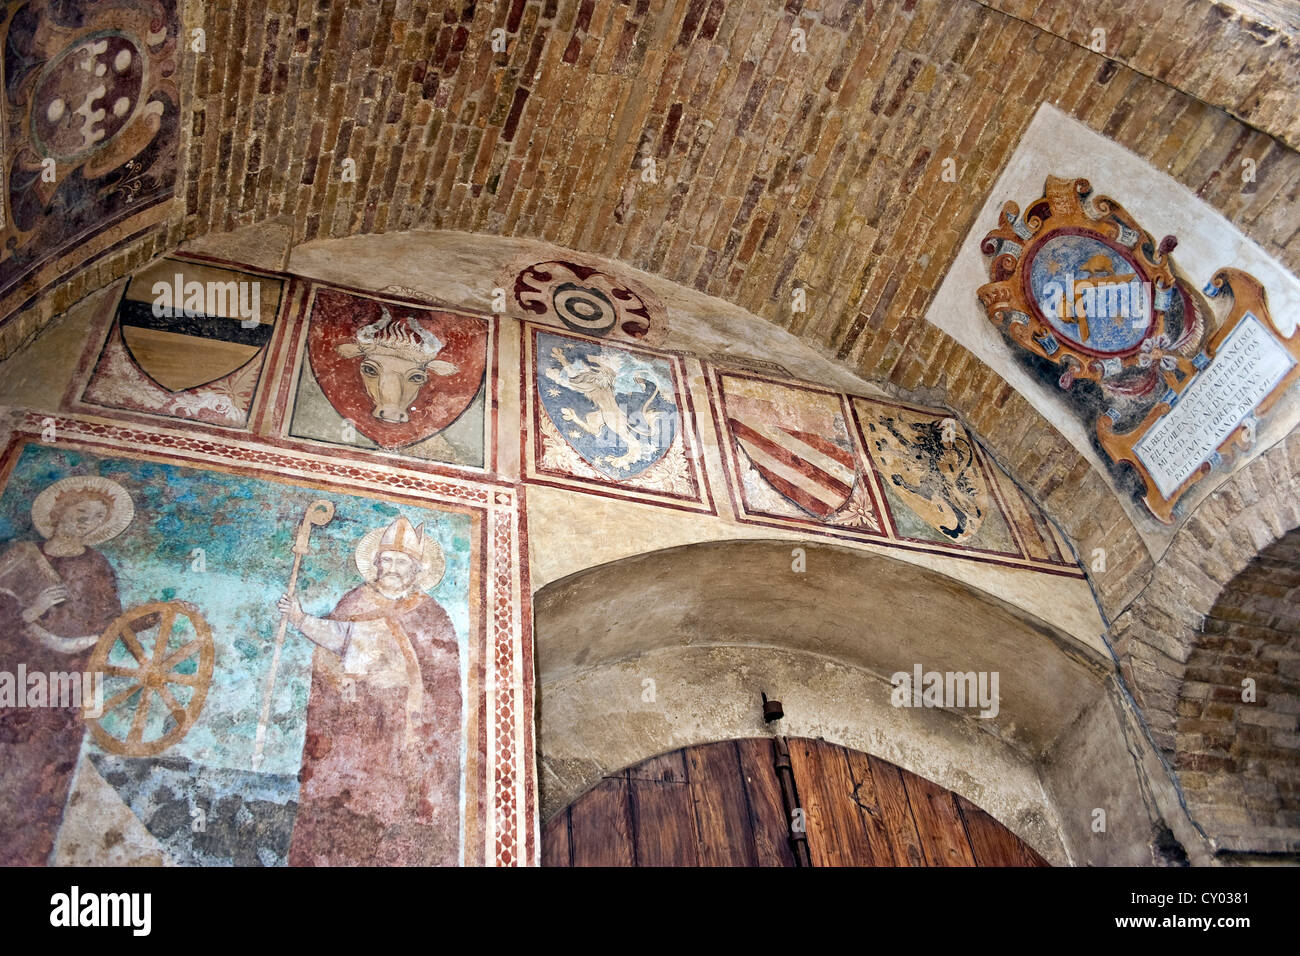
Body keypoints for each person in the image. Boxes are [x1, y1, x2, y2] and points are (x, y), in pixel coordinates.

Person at [278, 515, 462, 866]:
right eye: (386, 560)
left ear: (416, 569)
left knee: (400, 812)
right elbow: (331, 651)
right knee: (345, 809)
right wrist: (301, 620)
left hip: (406, 735)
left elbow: (446, 684)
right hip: (353, 732)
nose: (391, 568)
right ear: (375, 564)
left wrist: (428, 723)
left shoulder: (432, 615)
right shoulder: (354, 603)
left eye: (401, 561)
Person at [0, 475, 134, 865]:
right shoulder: (19, 554)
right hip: (14, 674)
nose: (87, 522)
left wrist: (142, 624)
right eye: (81, 512)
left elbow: (112, 620)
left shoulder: (96, 565)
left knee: (44, 774)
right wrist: (32, 610)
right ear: (59, 510)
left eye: (96, 518)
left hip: (67, 684)